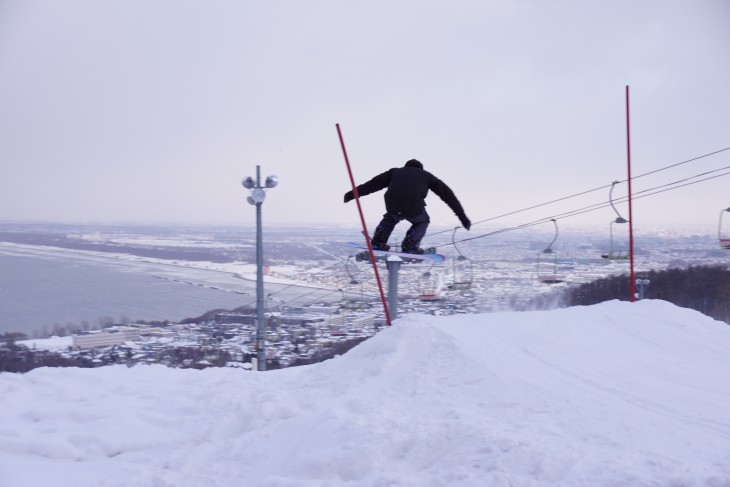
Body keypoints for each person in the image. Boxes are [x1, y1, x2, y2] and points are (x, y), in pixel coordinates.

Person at [344, 159, 471, 254]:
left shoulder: (395, 172)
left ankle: (378, 241)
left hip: (392, 203)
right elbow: (448, 196)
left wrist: (351, 194)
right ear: (421, 169)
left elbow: (371, 184)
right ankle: (410, 243)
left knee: (391, 218)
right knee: (423, 220)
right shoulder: (427, 176)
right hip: (413, 206)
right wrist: (463, 217)